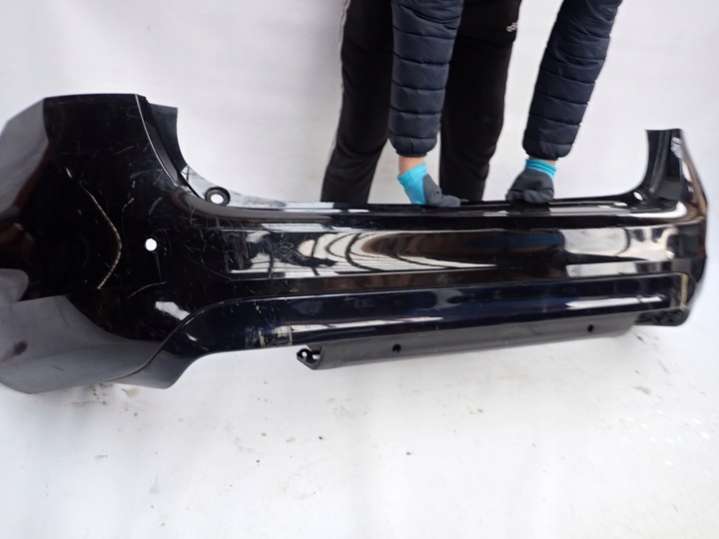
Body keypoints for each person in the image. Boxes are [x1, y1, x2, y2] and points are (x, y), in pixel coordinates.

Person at [322, 0, 623, 207]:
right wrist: (412, 160)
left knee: (473, 145)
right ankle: (326, 254)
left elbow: (583, 37)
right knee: (362, 135)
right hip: (388, 14)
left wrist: (543, 161)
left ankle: (454, 265)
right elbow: (430, 17)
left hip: (489, 20)